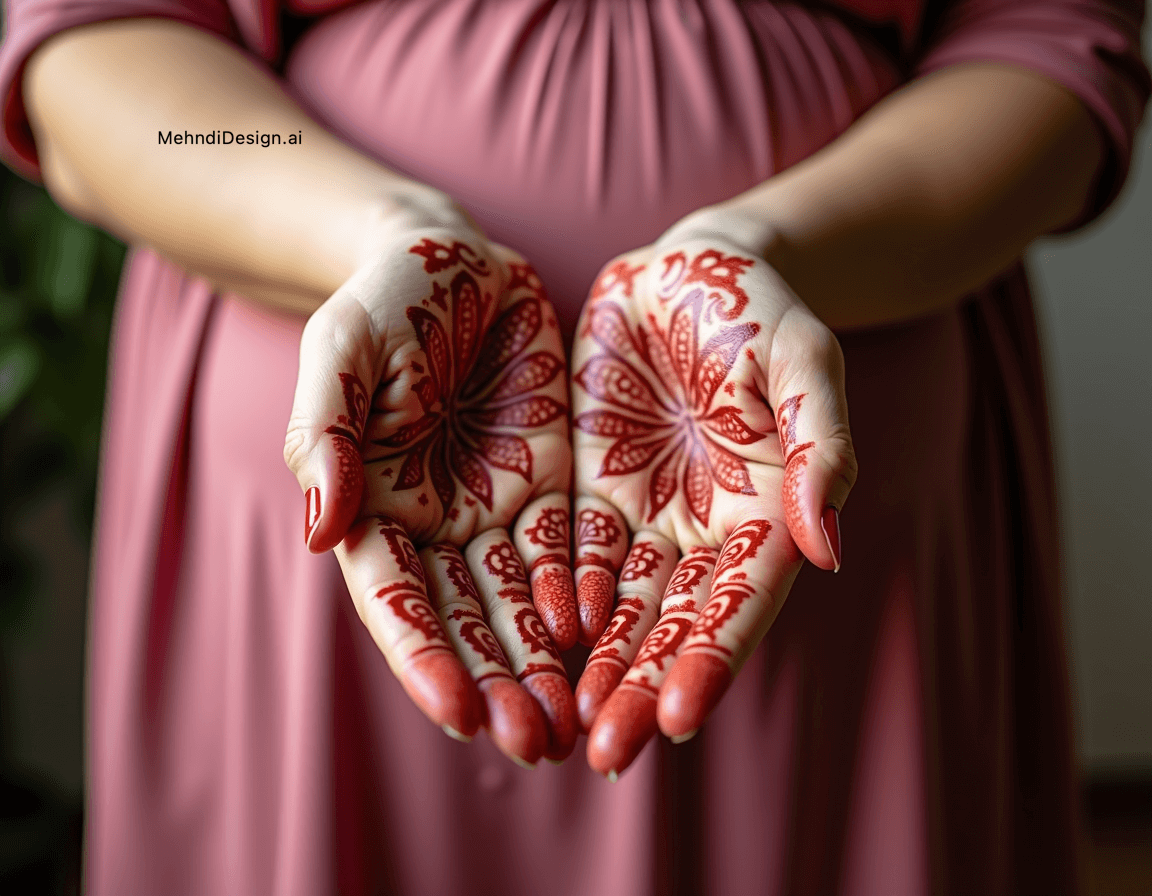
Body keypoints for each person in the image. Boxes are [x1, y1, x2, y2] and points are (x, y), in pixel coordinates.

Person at [1, 0, 1146, 892]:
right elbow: (93, 58)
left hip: (812, 493)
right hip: (358, 499)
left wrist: (767, 242)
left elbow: (1050, 42)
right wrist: (376, 229)